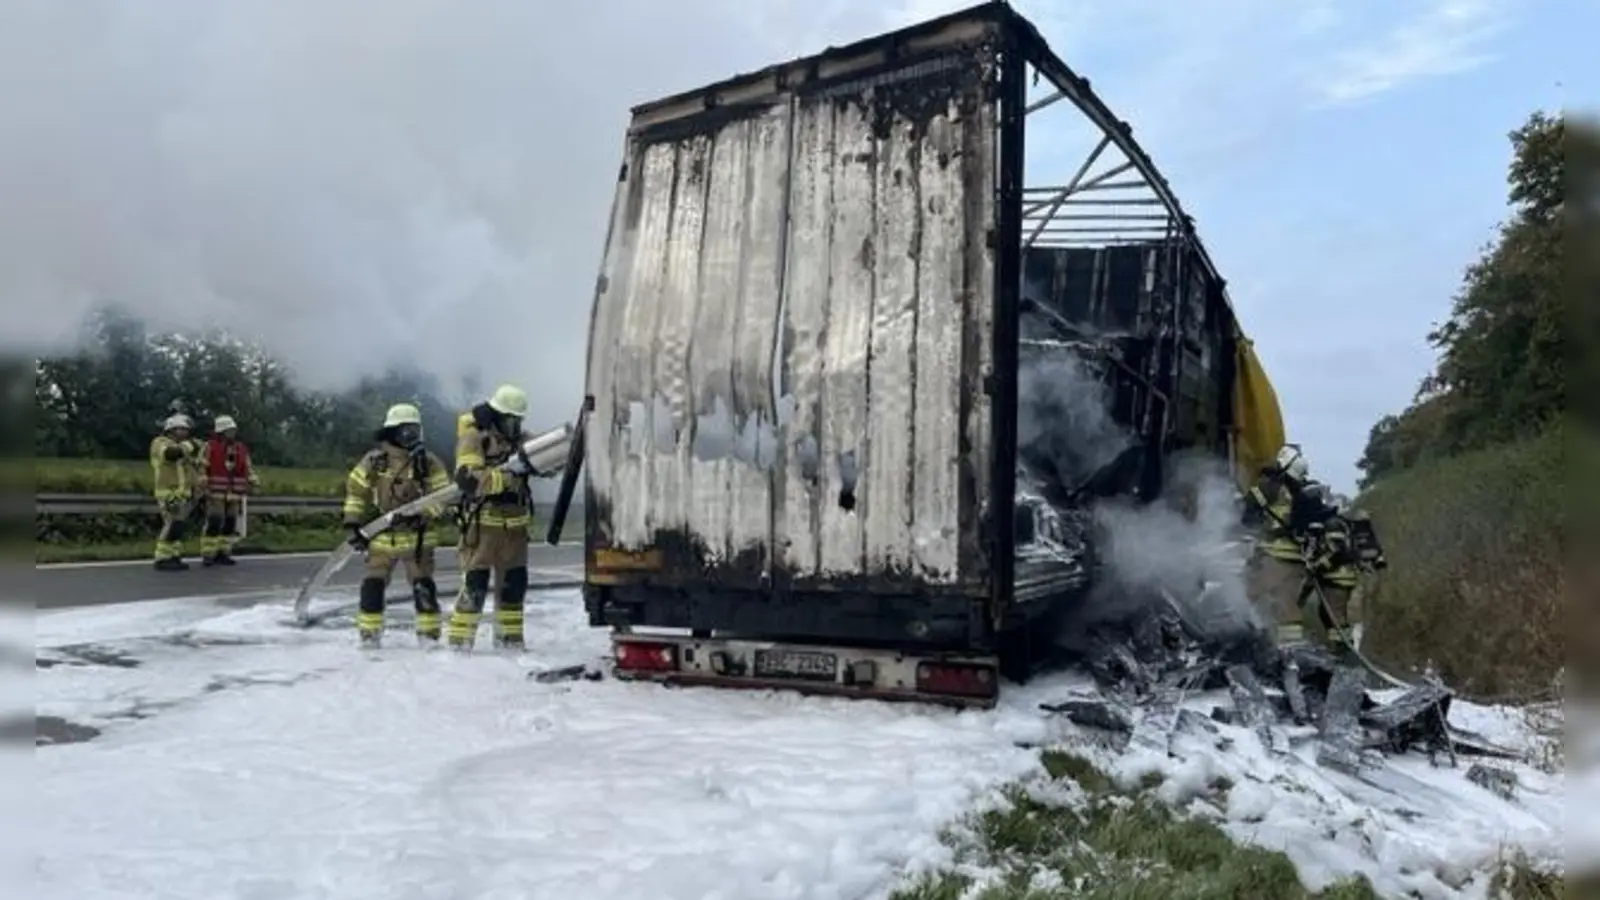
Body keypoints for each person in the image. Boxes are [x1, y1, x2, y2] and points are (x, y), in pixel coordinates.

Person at [341, 403, 452, 648]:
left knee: (423, 585)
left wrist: (422, 514)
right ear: (392, 432)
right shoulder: (374, 461)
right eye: (406, 431)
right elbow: (355, 492)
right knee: (373, 584)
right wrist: (352, 523)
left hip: (417, 537)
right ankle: (369, 637)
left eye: (415, 430)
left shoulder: (428, 462)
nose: (412, 436)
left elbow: (443, 497)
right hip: (382, 533)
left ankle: (429, 638)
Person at [446, 384, 534, 652]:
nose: (515, 425)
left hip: (515, 530)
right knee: (476, 587)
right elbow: (468, 479)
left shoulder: (520, 440)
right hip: (484, 526)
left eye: (518, 420)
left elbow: (546, 458)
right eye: (510, 419)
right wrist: (508, 476)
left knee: (514, 587)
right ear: (496, 415)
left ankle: (510, 643)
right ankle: (460, 646)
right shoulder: (475, 438)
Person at [200, 414, 259, 566]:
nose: (232, 433)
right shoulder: (210, 446)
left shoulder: (240, 448)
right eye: (229, 430)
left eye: (233, 430)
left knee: (230, 522)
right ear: (221, 431)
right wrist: (202, 480)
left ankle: (224, 552)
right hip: (215, 491)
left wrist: (252, 478)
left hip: (235, 492)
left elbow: (247, 465)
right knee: (215, 519)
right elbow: (202, 464)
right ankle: (209, 553)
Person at [149, 414, 202, 571]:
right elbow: (170, 454)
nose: (185, 433)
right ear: (171, 430)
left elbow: (190, 469)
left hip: (182, 494)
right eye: (181, 429)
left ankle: (174, 555)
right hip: (167, 492)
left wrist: (197, 486)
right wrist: (190, 446)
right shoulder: (160, 443)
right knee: (172, 524)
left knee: (179, 526)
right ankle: (162, 557)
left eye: (186, 430)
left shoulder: (183, 447)